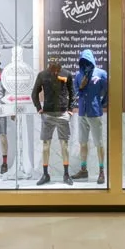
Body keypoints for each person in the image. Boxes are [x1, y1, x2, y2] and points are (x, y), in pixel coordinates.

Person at [31, 58, 76, 186]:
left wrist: (70, 110)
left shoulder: (67, 74)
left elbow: (72, 92)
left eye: (57, 69)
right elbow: (34, 93)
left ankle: (66, 174)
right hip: (48, 114)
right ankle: (45, 174)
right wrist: (39, 108)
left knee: (64, 145)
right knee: (46, 145)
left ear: (59, 67)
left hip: (63, 114)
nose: (55, 71)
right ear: (49, 66)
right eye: (52, 68)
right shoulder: (42, 75)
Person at [73, 49, 108, 184]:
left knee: (99, 143)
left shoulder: (101, 73)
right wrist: (81, 86)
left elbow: (108, 91)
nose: (85, 63)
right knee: (83, 142)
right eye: (83, 61)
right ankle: (83, 169)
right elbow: (76, 93)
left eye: (87, 61)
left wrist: (102, 103)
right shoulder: (78, 75)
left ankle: (101, 171)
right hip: (82, 112)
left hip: (94, 112)